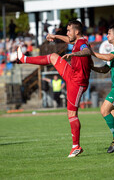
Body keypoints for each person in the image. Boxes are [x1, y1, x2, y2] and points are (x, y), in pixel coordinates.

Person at [16, 20, 92, 157]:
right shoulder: (77, 41)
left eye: (69, 31)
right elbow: (70, 41)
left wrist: (74, 55)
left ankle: (76, 146)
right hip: (72, 74)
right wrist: (55, 36)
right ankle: (24, 59)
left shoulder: (82, 43)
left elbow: (87, 51)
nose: (67, 33)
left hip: (78, 82)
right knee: (53, 57)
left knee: (72, 114)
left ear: (76, 32)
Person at [63, 25, 114, 154]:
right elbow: (104, 69)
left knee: (104, 110)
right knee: (112, 117)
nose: (106, 36)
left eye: (108, 33)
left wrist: (91, 52)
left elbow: (108, 57)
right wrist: (92, 67)